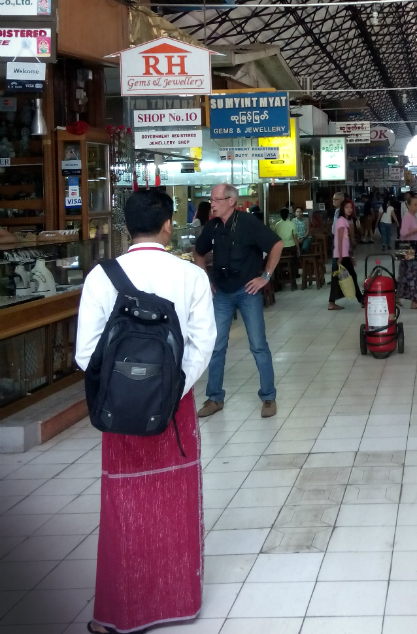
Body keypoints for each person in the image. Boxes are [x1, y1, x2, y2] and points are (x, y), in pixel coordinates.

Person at [76, 190, 216, 634]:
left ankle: (120, 612)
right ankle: (177, 600)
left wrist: (128, 386)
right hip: (176, 409)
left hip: (120, 410)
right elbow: (202, 345)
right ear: (168, 225)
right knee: (174, 498)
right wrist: (171, 390)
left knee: (124, 504)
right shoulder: (189, 275)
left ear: (126, 228)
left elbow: (86, 354)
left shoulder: (102, 277)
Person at [194, 183, 284, 419]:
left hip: (248, 291)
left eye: (216, 199)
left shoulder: (247, 223)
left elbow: (276, 244)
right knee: (216, 346)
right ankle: (214, 398)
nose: (211, 203)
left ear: (231, 201)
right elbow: (198, 252)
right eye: (211, 199)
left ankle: (268, 397)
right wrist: (206, 279)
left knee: (258, 345)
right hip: (221, 293)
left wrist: (265, 276)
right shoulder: (212, 227)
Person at [329, 197, 362, 309]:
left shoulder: (344, 221)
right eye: (347, 207)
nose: (349, 209)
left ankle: (331, 302)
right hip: (341, 255)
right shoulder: (342, 221)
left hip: (343, 254)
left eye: (351, 207)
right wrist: (339, 257)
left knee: (337, 278)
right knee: (352, 276)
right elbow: (339, 240)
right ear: (342, 209)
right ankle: (361, 300)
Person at [397, 193, 417, 309]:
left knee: (404, 273)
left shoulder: (413, 216)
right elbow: (403, 233)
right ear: (408, 206)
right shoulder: (407, 217)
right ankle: (415, 300)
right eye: (414, 205)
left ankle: (397, 296)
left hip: (411, 246)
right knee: (414, 274)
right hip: (410, 246)